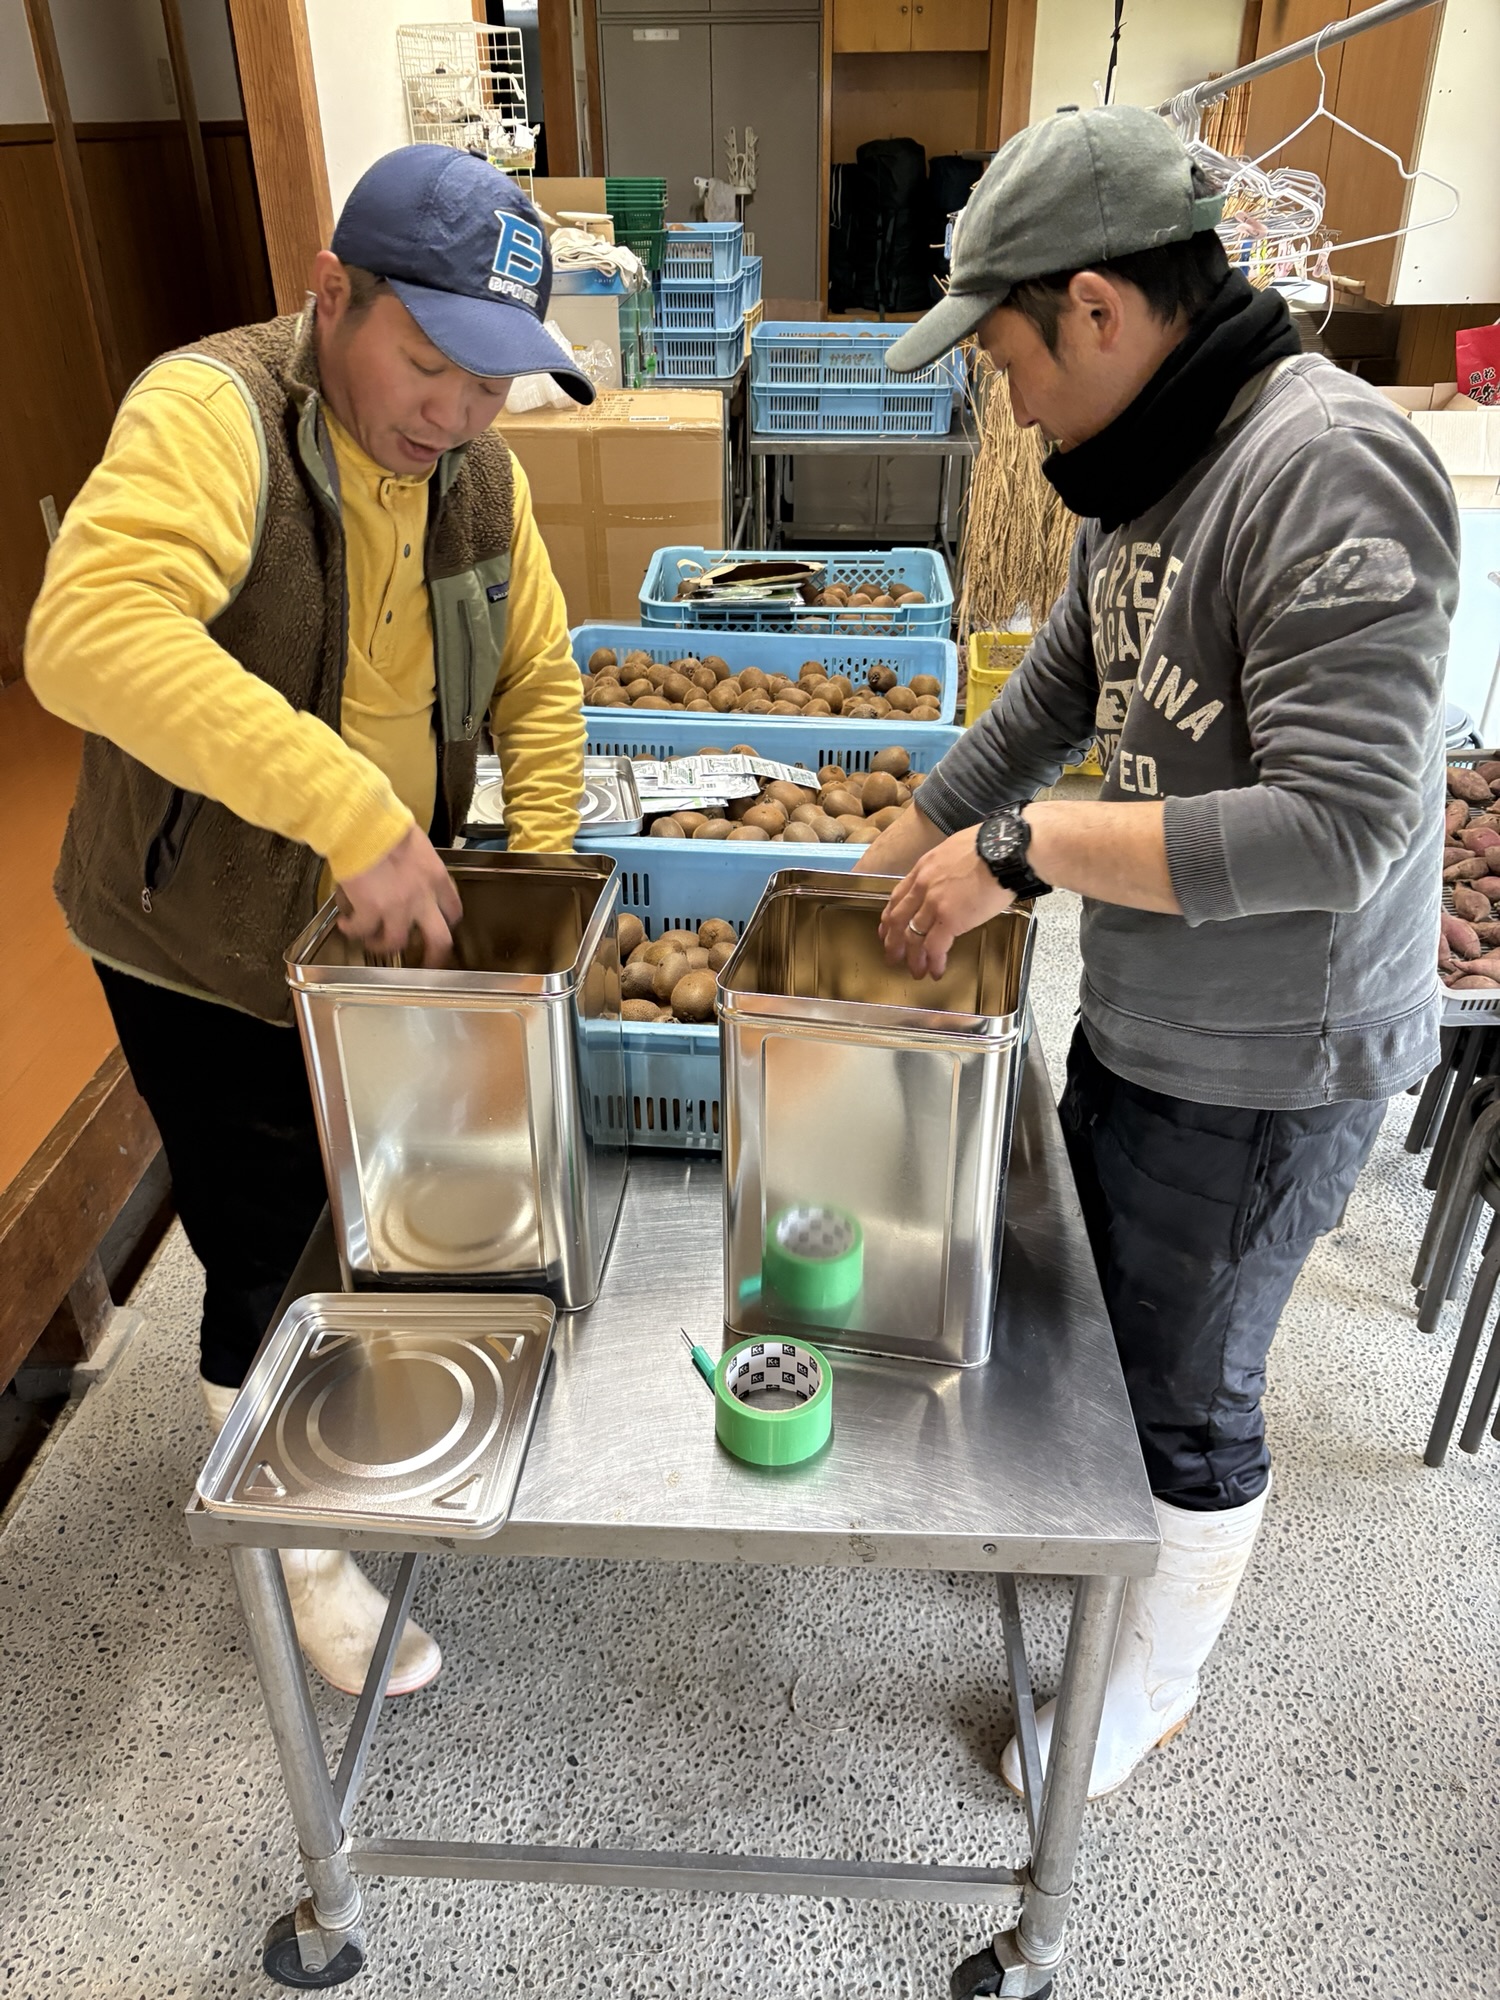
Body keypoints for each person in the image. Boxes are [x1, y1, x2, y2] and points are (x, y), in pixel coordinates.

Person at [859, 104, 1459, 1796]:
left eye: (1005, 358)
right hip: (1144, 1010)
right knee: (1112, 1330)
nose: (1006, 401)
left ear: (1099, 310)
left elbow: (1343, 826)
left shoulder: (1326, 467)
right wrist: (871, 866)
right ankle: (1101, 1551)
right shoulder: (1141, 477)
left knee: (1192, 1387)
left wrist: (1028, 850)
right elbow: (1049, 704)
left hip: (1275, 1062)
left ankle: (1155, 1683)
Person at [26, 146, 592, 1700]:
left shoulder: (479, 478)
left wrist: (535, 907)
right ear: (332, 293)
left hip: (378, 938)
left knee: (379, 1192)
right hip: (199, 939)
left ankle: (353, 1408)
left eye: (493, 381)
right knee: (266, 1228)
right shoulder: (215, 413)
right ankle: (299, 1558)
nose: (458, 413)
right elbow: (85, 631)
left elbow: (542, 686)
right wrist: (353, 812)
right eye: (432, 362)